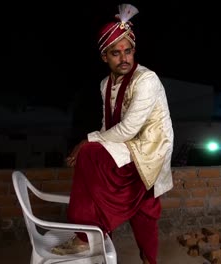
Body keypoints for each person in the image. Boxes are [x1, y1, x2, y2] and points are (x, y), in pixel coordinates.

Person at [51, 4, 174, 264]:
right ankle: (91, 236)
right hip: (127, 151)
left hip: (149, 154)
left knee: (144, 215)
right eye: (116, 53)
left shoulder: (147, 80)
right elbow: (109, 127)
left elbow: (129, 129)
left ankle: (88, 238)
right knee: (138, 208)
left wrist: (87, 141)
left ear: (134, 51)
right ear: (104, 57)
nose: (124, 58)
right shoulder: (105, 84)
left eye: (128, 51)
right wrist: (93, 143)